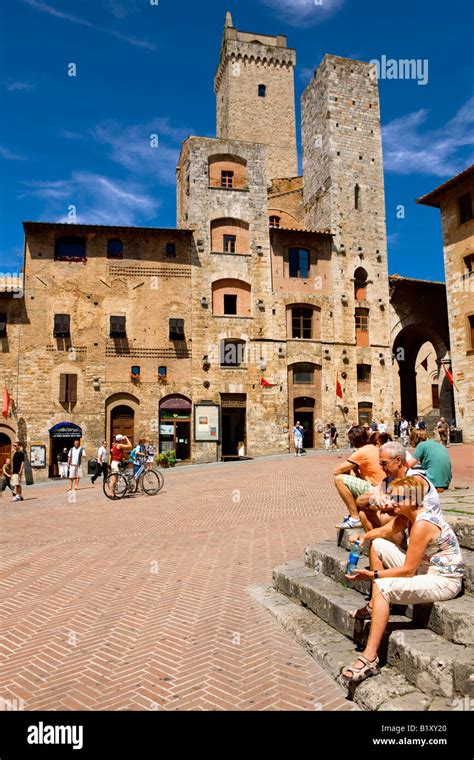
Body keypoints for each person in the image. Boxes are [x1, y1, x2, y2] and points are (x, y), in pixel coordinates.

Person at [340, 476, 464, 687]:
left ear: (413, 500)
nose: (392, 501)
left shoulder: (423, 523)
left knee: (382, 585)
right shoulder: (409, 515)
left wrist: (373, 576)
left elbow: (407, 571)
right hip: (425, 570)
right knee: (378, 543)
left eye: (398, 498)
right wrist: (365, 536)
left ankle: (370, 658)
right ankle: (377, 606)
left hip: (443, 579)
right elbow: (386, 531)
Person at [356, 441, 442, 535]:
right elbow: (359, 501)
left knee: (386, 516)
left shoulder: (414, 479)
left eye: (384, 463)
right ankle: (375, 543)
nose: (382, 468)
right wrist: (373, 497)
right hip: (405, 526)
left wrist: (374, 502)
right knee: (363, 513)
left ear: (398, 461)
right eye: (380, 464)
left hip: (425, 529)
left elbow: (388, 506)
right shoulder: (388, 480)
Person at [334, 426, 386, 529]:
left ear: (352, 441)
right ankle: (357, 512)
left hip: (376, 489)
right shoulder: (374, 448)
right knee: (352, 470)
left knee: (339, 479)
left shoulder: (361, 452)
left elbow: (337, 471)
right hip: (383, 487)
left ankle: (355, 517)